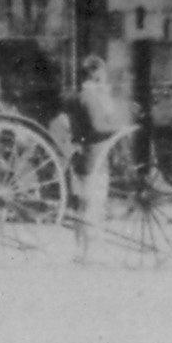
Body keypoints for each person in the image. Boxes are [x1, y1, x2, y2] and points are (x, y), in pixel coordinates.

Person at [70, 54, 128, 230]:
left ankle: (84, 249)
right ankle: (88, 250)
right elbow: (98, 126)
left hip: (87, 156)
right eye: (103, 77)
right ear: (96, 76)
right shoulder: (90, 97)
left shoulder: (82, 95)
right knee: (93, 208)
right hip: (95, 158)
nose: (105, 81)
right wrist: (119, 128)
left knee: (87, 205)